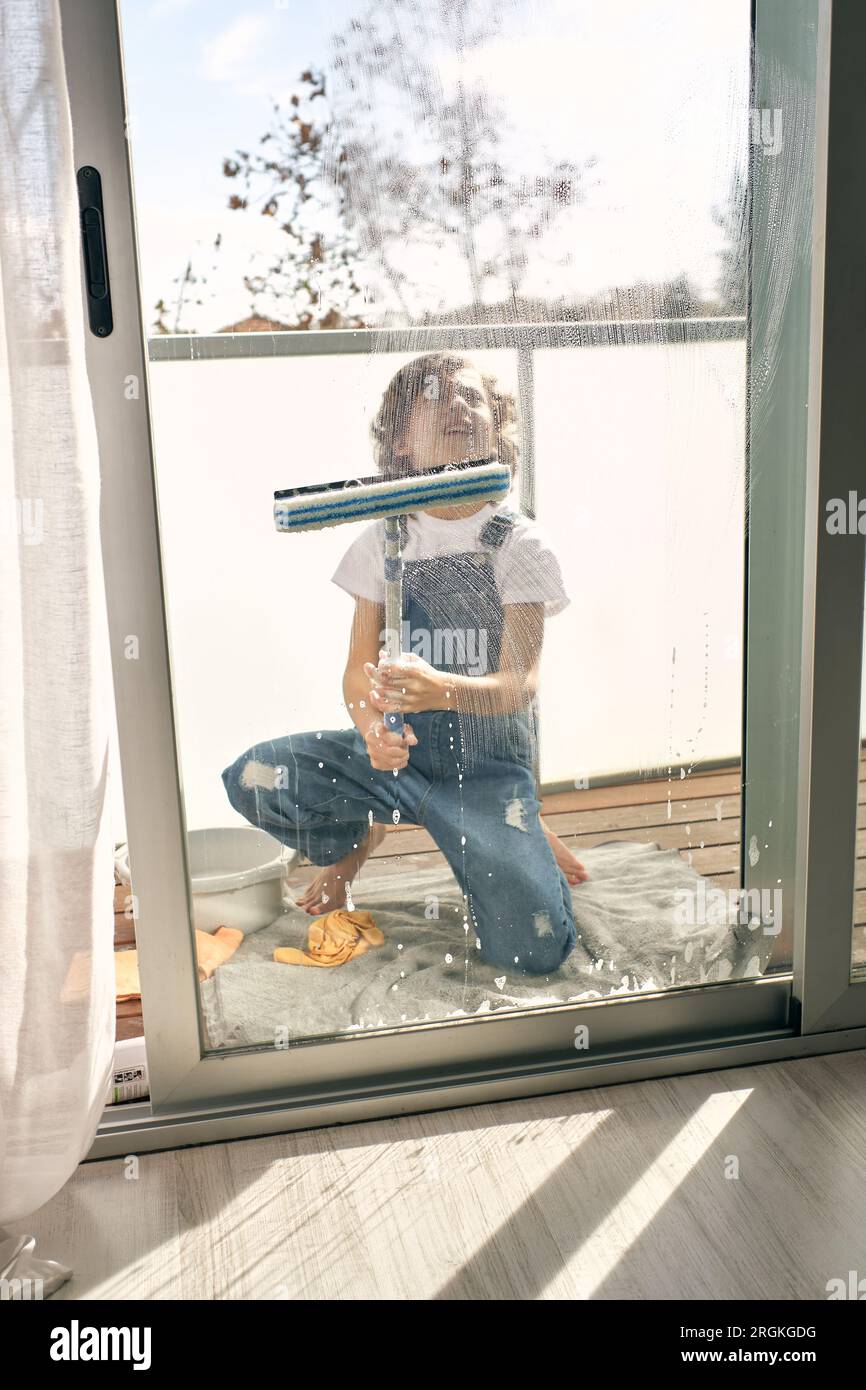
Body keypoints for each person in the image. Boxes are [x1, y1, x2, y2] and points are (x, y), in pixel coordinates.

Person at [221, 351, 587, 975]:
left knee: (534, 952)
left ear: (498, 429)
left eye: (471, 395)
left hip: (486, 774)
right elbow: (357, 672)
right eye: (433, 395)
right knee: (255, 774)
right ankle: (356, 844)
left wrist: (440, 687)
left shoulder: (519, 545)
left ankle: (518, 832)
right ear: (400, 441)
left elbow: (517, 686)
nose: (456, 403)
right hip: (393, 764)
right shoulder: (382, 539)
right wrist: (371, 732)